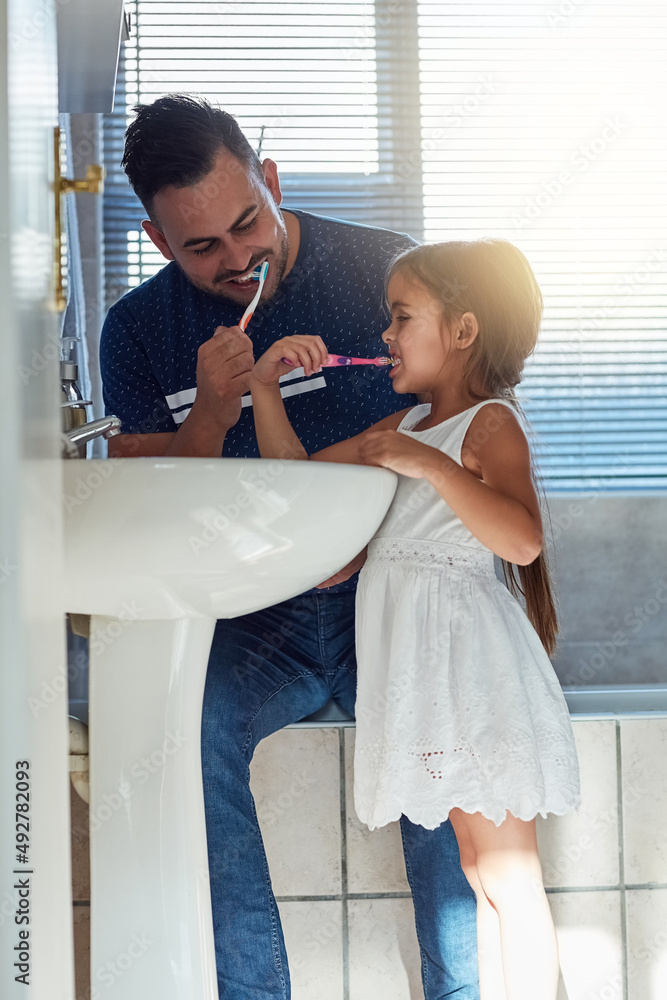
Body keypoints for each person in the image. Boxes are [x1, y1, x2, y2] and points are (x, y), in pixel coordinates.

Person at [100, 95, 480, 998]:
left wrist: (340, 508)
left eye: (247, 224)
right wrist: (216, 415)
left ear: (270, 183)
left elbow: (466, 422)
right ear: (158, 242)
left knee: (436, 750)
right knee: (181, 736)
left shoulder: (387, 273)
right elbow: (138, 495)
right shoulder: (139, 331)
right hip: (254, 616)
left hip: (388, 595)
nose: (238, 261)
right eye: (202, 249)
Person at [249, 239, 582, 1000]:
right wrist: (265, 389)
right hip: (429, 681)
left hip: (473, 677)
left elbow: (520, 539)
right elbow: (295, 488)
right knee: (479, 870)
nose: (386, 336)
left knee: (505, 876)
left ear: (461, 332)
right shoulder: (401, 427)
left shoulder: (485, 426)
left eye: (401, 317)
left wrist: (426, 462)